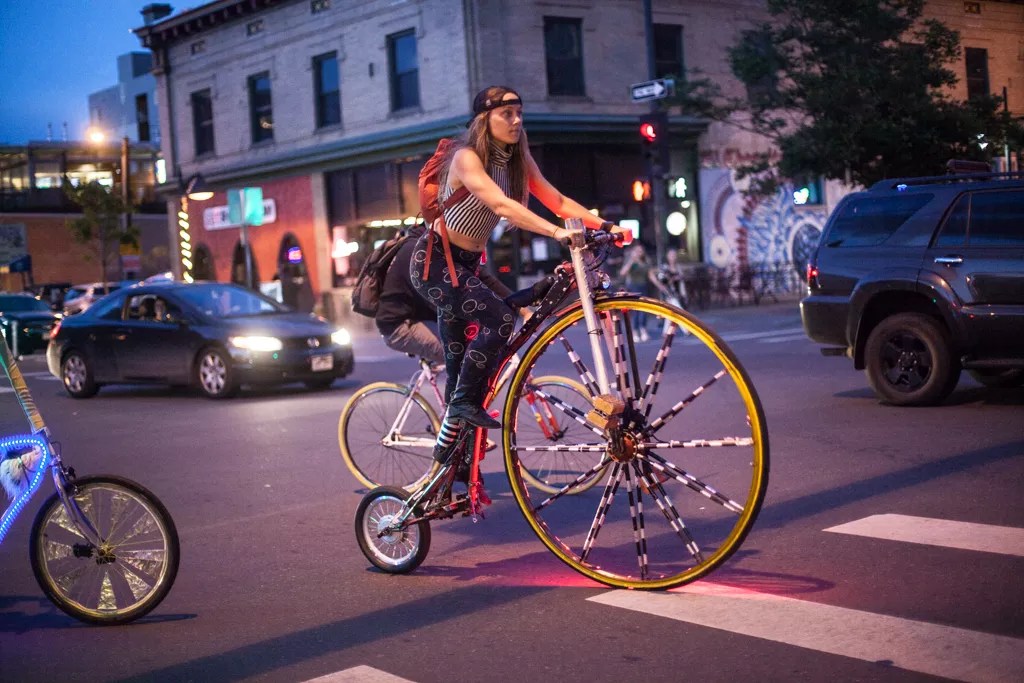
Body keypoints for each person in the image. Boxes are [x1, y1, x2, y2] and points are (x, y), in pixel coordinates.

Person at [410, 85, 616, 463]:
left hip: (467, 267)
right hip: (437, 265)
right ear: (482, 120)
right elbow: (500, 204)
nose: (517, 120)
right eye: (507, 114)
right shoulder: (466, 158)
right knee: (500, 319)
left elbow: (556, 199)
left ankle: (450, 464)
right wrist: (557, 233)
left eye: (520, 112)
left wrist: (604, 223)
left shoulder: (518, 161)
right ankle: (463, 407)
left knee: (462, 371)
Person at [376, 226, 515, 367]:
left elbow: (481, 277)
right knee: (467, 357)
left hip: (420, 317)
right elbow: (437, 300)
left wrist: (519, 305)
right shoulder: (416, 252)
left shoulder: (440, 247)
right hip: (398, 326)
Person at [618, 244, 653, 342]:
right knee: (635, 311)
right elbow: (623, 273)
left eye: (640, 251)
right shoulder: (631, 262)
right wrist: (631, 261)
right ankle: (635, 332)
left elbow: (650, 275)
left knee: (643, 310)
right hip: (633, 287)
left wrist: (660, 285)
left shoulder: (646, 262)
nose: (639, 253)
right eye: (637, 251)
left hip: (643, 286)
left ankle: (643, 330)